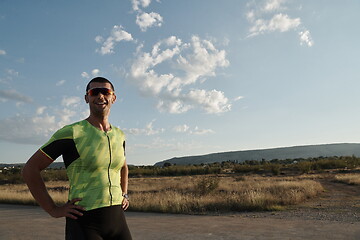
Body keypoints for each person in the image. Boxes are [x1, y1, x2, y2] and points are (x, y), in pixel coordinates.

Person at [22, 77, 132, 240]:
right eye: (94, 92)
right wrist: (53, 209)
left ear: (113, 98)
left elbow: (122, 166)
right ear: (87, 98)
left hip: (117, 221)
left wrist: (124, 194)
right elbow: (30, 169)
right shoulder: (72, 132)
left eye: (106, 92)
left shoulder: (119, 135)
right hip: (85, 223)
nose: (100, 96)